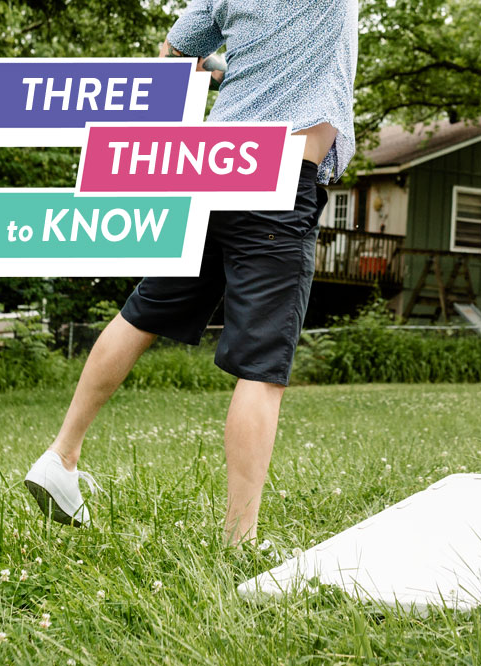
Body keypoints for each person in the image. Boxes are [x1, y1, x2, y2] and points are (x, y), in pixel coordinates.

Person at [23, 0, 358, 546]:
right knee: (262, 367)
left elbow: (175, 55)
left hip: (215, 164)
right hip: (279, 174)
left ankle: (62, 455)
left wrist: (235, 72)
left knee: (142, 311)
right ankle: (239, 541)